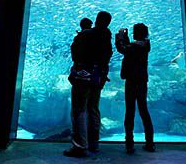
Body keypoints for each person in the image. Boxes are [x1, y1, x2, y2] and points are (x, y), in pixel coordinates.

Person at [64, 11, 113, 158]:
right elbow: (108, 55)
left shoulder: (85, 35)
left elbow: (74, 53)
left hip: (82, 77)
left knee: (79, 109)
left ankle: (80, 146)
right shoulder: (107, 36)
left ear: (97, 20)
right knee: (93, 108)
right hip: (98, 78)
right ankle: (94, 143)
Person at [115, 23, 155, 154]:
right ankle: (150, 143)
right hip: (142, 81)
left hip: (132, 82)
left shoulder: (135, 46)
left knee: (130, 111)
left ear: (136, 33)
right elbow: (129, 48)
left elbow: (122, 49)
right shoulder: (144, 45)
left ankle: (129, 144)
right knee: (144, 111)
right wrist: (125, 38)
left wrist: (120, 36)